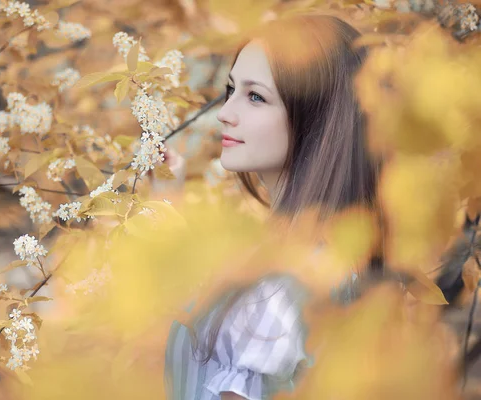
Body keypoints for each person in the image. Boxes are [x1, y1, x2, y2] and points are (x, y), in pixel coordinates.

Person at [163, 12, 384, 400]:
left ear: (316, 117)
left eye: (255, 96)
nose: (225, 113)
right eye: (231, 90)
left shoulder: (291, 282)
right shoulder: (293, 255)